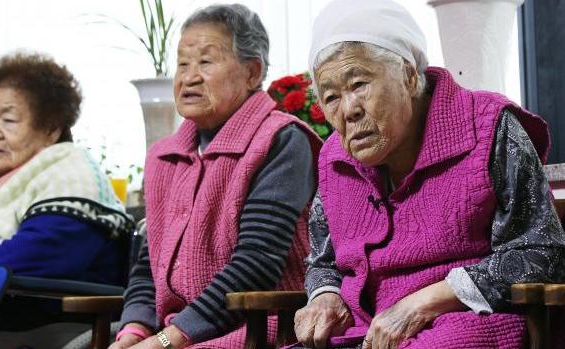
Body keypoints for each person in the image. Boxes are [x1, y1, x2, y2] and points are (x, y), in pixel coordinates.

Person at [292, 1, 565, 348]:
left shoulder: (486, 126)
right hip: (368, 331)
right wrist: (324, 295)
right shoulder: (334, 158)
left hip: (470, 321)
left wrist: (425, 301)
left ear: (407, 75)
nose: (348, 110)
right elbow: (323, 260)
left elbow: (541, 252)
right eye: (331, 96)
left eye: (359, 83)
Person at [109, 4, 322, 349]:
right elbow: (149, 269)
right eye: (182, 63)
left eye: (205, 62)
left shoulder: (280, 140)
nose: (189, 77)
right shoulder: (164, 157)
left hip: (259, 330)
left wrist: (165, 340)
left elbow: (256, 264)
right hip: (175, 336)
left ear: (252, 73)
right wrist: (132, 333)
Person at [0, 52, 133, 341]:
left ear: (50, 129)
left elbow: (27, 256)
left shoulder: (70, 177)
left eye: (9, 120)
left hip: (36, 328)